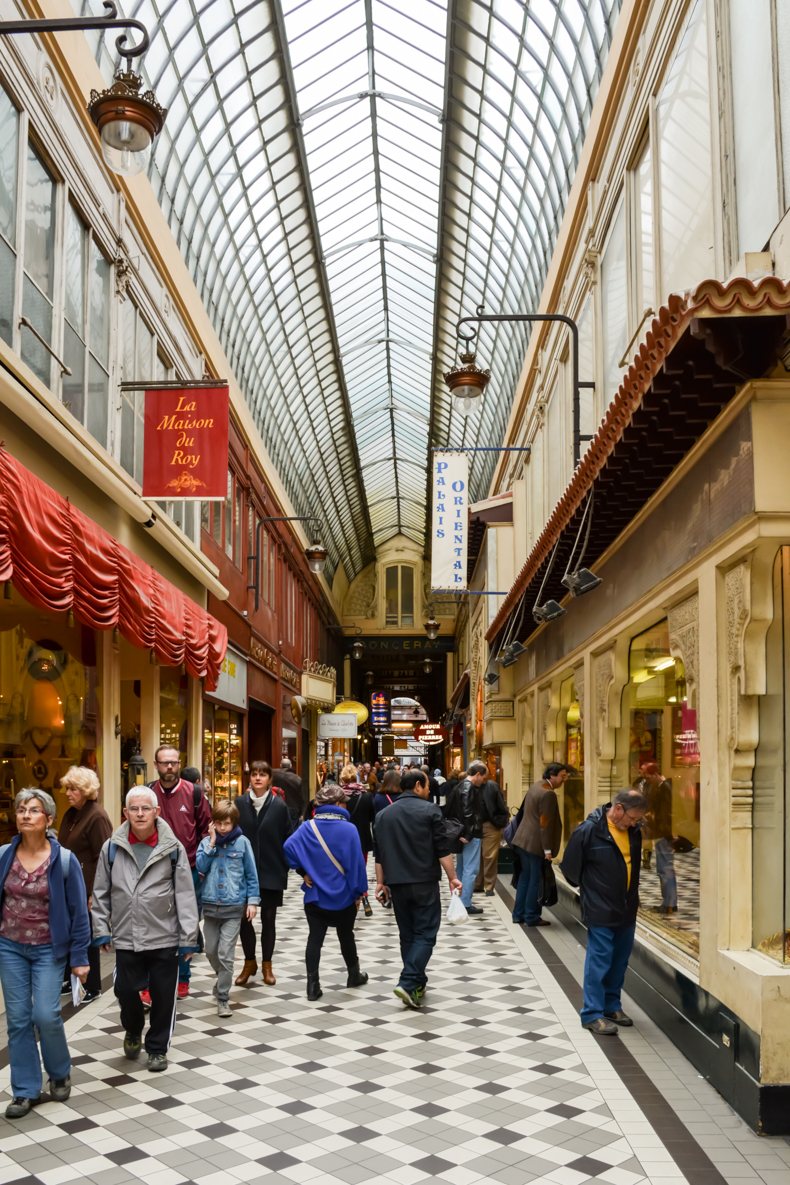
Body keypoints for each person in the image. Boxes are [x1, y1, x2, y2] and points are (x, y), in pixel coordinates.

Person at [92, 787, 199, 1072]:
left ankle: (157, 1049)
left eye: (145, 809)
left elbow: (186, 895)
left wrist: (188, 938)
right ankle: (133, 1026)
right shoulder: (111, 848)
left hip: (165, 934)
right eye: (134, 809)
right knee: (125, 990)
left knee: (164, 997)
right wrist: (101, 928)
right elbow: (100, 892)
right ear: (125, 813)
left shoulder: (172, 849)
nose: (140, 814)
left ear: (156, 813)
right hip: (126, 935)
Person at [0, 789, 90, 1119]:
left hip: (49, 949)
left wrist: (80, 958)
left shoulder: (63, 860)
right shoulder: (3, 856)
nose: (25, 815)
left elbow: (79, 911)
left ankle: (60, 1071)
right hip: (9, 946)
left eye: (33, 810)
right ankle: (24, 1089)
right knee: (19, 1018)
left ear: (48, 819)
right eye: (21, 809)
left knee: (46, 1015)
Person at [560, 789, 648, 1036]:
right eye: (632, 817)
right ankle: (592, 1013)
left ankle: (611, 1006)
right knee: (599, 960)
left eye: (638, 820)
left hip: (627, 906)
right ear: (618, 809)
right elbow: (570, 870)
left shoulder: (634, 832)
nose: (634, 822)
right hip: (600, 907)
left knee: (619, 960)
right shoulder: (588, 831)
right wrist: (594, 892)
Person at [373, 768, 462, 1009]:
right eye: (427, 787)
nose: (428, 791)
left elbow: (379, 854)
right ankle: (408, 981)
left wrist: (380, 883)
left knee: (408, 935)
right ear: (419, 786)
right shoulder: (430, 811)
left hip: (397, 884)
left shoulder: (383, 815)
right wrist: (453, 878)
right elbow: (442, 849)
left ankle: (417, 984)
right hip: (424, 882)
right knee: (426, 933)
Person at [283, 782, 369, 1000]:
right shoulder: (349, 830)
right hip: (344, 896)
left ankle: (313, 986)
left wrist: (303, 871)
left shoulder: (307, 827)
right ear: (339, 804)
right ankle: (353, 975)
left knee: (315, 938)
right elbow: (357, 865)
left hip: (315, 896)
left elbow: (287, 849)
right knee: (346, 936)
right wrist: (360, 892)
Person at [149, 745, 211, 998]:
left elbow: (207, 829)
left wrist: (204, 864)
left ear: (179, 763)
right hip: (154, 871)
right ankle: (154, 979)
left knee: (187, 922)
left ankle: (183, 976)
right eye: (165, 763)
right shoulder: (147, 794)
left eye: (174, 762)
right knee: (154, 923)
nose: (170, 767)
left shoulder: (194, 793)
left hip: (189, 870)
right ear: (156, 766)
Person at [196, 799, 259, 1018]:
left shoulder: (242, 843)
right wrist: (212, 843)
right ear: (213, 823)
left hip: (234, 906)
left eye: (227, 823)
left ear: (234, 823)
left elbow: (251, 874)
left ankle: (223, 997)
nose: (223, 828)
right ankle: (222, 977)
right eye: (219, 823)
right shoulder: (206, 843)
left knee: (226, 954)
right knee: (211, 950)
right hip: (211, 906)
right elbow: (200, 867)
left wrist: (252, 901)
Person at [57, 765, 113, 1001]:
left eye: (73, 789)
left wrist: (95, 893)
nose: (68, 793)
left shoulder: (97, 815)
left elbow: (104, 856)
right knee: (69, 932)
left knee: (87, 936)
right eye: (67, 788)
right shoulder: (71, 814)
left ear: (85, 790)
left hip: (88, 887)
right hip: (69, 885)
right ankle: (70, 980)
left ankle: (92, 986)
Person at [234, 760, 291, 987]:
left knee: (269, 920)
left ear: (269, 779)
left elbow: (288, 838)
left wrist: (291, 867)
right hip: (242, 873)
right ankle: (249, 962)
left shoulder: (279, 806)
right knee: (243, 920)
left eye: (263, 774)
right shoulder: (239, 803)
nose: (258, 778)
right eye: (254, 774)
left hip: (271, 871)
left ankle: (267, 965)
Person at [511, 763, 570, 926]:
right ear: (552, 775)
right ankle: (531, 916)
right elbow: (545, 824)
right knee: (535, 880)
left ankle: (518, 914)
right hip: (535, 844)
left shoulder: (536, 785)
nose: (564, 779)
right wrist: (547, 850)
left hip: (522, 840)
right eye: (562, 776)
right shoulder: (548, 794)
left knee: (525, 877)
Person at [445, 761, 488, 914]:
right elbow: (468, 812)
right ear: (477, 774)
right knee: (471, 868)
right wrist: (469, 834)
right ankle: (465, 903)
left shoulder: (459, 786)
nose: (483, 781)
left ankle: (459, 897)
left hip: (460, 832)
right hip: (470, 834)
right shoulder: (469, 788)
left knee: (462, 867)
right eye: (483, 777)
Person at [637, 762, 677, 914]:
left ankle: (669, 903)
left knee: (665, 868)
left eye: (647, 775)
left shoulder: (665, 788)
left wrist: (667, 833)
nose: (646, 779)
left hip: (663, 834)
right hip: (661, 833)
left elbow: (666, 814)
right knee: (664, 868)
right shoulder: (659, 787)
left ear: (654, 774)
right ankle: (669, 902)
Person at [339, 763, 375, 917]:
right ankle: (363, 895)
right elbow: (372, 818)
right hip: (362, 838)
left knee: (343, 868)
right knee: (361, 867)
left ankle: (347, 897)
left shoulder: (338, 797)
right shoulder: (366, 796)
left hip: (341, 839)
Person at [474, 772, 510, 895]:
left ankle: (489, 886)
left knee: (489, 856)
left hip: (490, 824)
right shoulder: (470, 786)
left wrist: (499, 821)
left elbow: (500, 804)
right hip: (475, 825)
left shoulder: (491, 786)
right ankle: (478, 884)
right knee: (477, 855)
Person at [272, 757, 305, 826]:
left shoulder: (272, 775)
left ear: (280, 765)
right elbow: (301, 797)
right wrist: (302, 813)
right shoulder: (297, 779)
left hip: (276, 807)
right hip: (293, 809)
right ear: (290, 766)